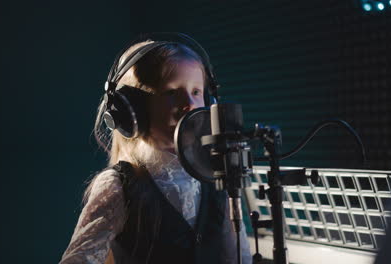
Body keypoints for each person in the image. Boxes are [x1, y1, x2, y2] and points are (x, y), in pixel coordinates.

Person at [59, 34, 252, 264]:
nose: (188, 104)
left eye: (196, 92)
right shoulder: (119, 186)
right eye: (171, 92)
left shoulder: (217, 175)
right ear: (133, 110)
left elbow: (238, 256)